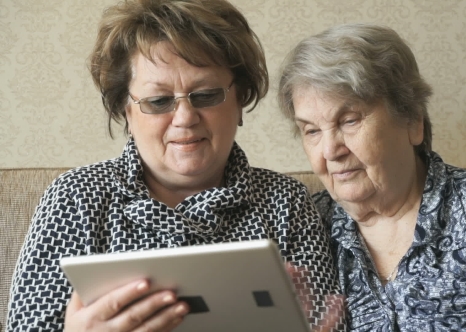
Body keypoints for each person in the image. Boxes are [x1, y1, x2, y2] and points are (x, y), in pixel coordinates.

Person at [6, 1, 344, 331]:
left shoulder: (287, 203)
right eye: (158, 101)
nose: (184, 117)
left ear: (240, 99)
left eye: (206, 95)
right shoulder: (76, 198)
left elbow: (327, 321)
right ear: (127, 111)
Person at [277, 23, 466, 331]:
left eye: (349, 120)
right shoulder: (305, 227)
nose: (330, 150)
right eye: (312, 131)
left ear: (413, 120)